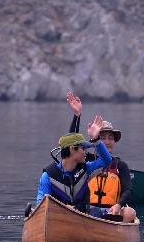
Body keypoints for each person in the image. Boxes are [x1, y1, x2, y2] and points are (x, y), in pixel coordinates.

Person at [64, 91, 136, 222]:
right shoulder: (86, 161)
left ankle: (116, 235)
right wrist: (76, 116)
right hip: (86, 211)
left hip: (112, 212)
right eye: (102, 138)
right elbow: (71, 144)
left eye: (110, 138)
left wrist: (118, 205)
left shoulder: (120, 165)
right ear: (95, 140)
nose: (107, 142)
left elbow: (128, 191)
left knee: (130, 212)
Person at [36, 115, 113, 216]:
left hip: (84, 219)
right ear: (72, 149)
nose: (86, 152)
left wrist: (96, 140)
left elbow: (106, 160)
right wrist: (62, 209)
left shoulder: (87, 169)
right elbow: (41, 205)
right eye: (83, 148)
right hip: (57, 219)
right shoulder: (47, 177)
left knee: (97, 212)